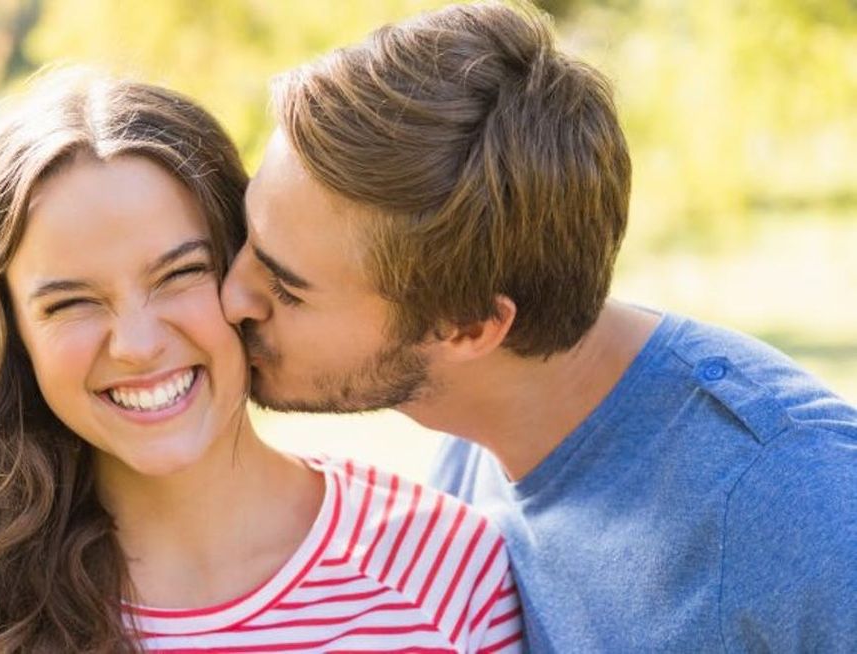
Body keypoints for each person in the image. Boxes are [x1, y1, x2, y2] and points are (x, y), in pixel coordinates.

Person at [220, 2, 857, 652]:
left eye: (285, 288)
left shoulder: (796, 500)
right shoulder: (478, 432)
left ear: (469, 327)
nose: (231, 296)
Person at [0, 68, 523, 652]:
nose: (135, 343)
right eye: (72, 303)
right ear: (15, 334)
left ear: (248, 269)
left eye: (179, 274)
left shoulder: (445, 568)